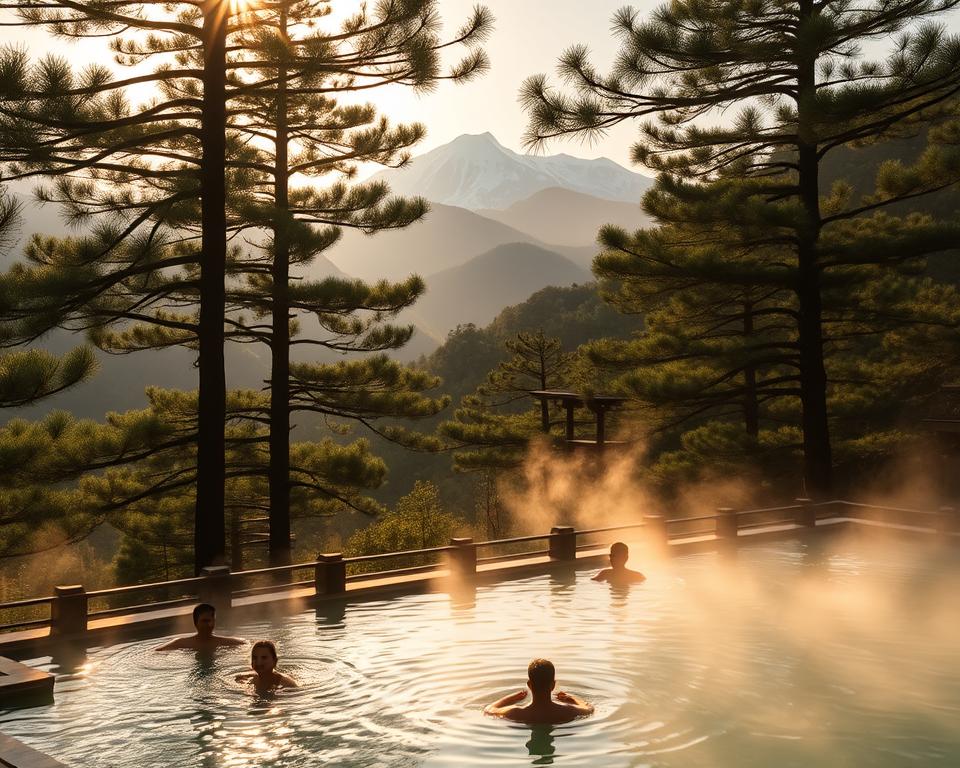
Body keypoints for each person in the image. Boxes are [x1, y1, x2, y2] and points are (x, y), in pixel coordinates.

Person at [484, 658, 593, 724]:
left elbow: (489, 710)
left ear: (529, 685)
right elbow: (589, 709)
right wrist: (572, 699)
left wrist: (512, 698)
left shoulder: (516, 713)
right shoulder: (569, 711)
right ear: (553, 685)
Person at [156, 603, 244, 651]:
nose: (208, 625)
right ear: (196, 623)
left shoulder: (224, 642)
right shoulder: (182, 643)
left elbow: (246, 644)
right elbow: (157, 652)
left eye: (210, 621)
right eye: (204, 621)